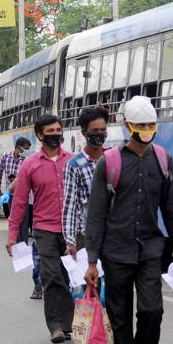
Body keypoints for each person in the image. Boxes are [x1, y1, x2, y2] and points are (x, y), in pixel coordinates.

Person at [84, 96, 173, 344]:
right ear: (128, 127)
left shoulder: (164, 160)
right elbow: (96, 215)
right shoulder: (110, 163)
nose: (146, 130)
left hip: (151, 251)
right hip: (115, 252)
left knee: (152, 311)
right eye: (140, 125)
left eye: (150, 125)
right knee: (119, 317)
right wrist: (91, 261)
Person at [6, 114, 75, 344]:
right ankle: (57, 326)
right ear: (40, 135)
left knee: (67, 277)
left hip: (71, 230)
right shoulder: (30, 164)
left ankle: (68, 322)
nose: (56, 134)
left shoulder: (72, 161)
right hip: (44, 229)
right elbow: (19, 202)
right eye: (51, 131)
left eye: (58, 130)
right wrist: (12, 235)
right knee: (51, 275)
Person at [62, 107, 108, 255]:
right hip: (86, 237)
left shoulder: (114, 159)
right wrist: (70, 241)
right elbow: (70, 206)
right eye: (95, 130)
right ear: (84, 133)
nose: (100, 134)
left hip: (113, 236)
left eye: (103, 130)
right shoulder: (74, 165)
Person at [0, 136, 31, 216]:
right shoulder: (6, 156)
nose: (26, 152)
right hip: (10, 193)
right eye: (26, 149)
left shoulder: (27, 160)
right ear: (18, 147)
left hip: (23, 194)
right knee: (13, 215)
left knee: (23, 216)